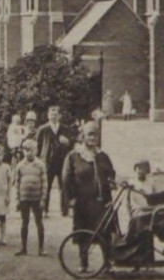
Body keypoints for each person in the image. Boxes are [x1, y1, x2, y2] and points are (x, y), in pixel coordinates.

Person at [60, 121, 115, 270]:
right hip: (82, 202)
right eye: (90, 134)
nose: (93, 138)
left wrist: (112, 181)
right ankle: (84, 264)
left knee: (105, 231)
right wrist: (69, 200)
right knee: (82, 232)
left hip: (102, 202)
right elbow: (66, 180)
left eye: (96, 134)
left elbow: (111, 174)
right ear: (83, 136)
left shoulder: (103, 156)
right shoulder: (73, 156)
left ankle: (107, 263)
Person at [35, 105, 76, 216]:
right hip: (47, 161)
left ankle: (65, 209)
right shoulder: (43, 129)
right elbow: (37, 146)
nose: (54, 116)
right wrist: (37, 160)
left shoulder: (65, 129)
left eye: (56, 114)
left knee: (64, 185)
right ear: (48, 116)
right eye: (51, 114)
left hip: (62, 161)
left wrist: (68, 142)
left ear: (60, 116)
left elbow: (72, 143)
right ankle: (44, 210)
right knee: (45, 186)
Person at [11, 142, 47, 255]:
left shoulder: (40, 164)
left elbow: (45, 182)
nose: (29, 152)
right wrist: (17, 199)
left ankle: (41, 248)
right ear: (23, 151)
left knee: (39, 222)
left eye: (32, 150)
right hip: (24, 198)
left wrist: (43, 199)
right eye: (26, 150)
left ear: (36, 150)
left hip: (37, 198)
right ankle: (23, 248)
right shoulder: (20, 165)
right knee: (24, 222)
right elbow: (17, 183)